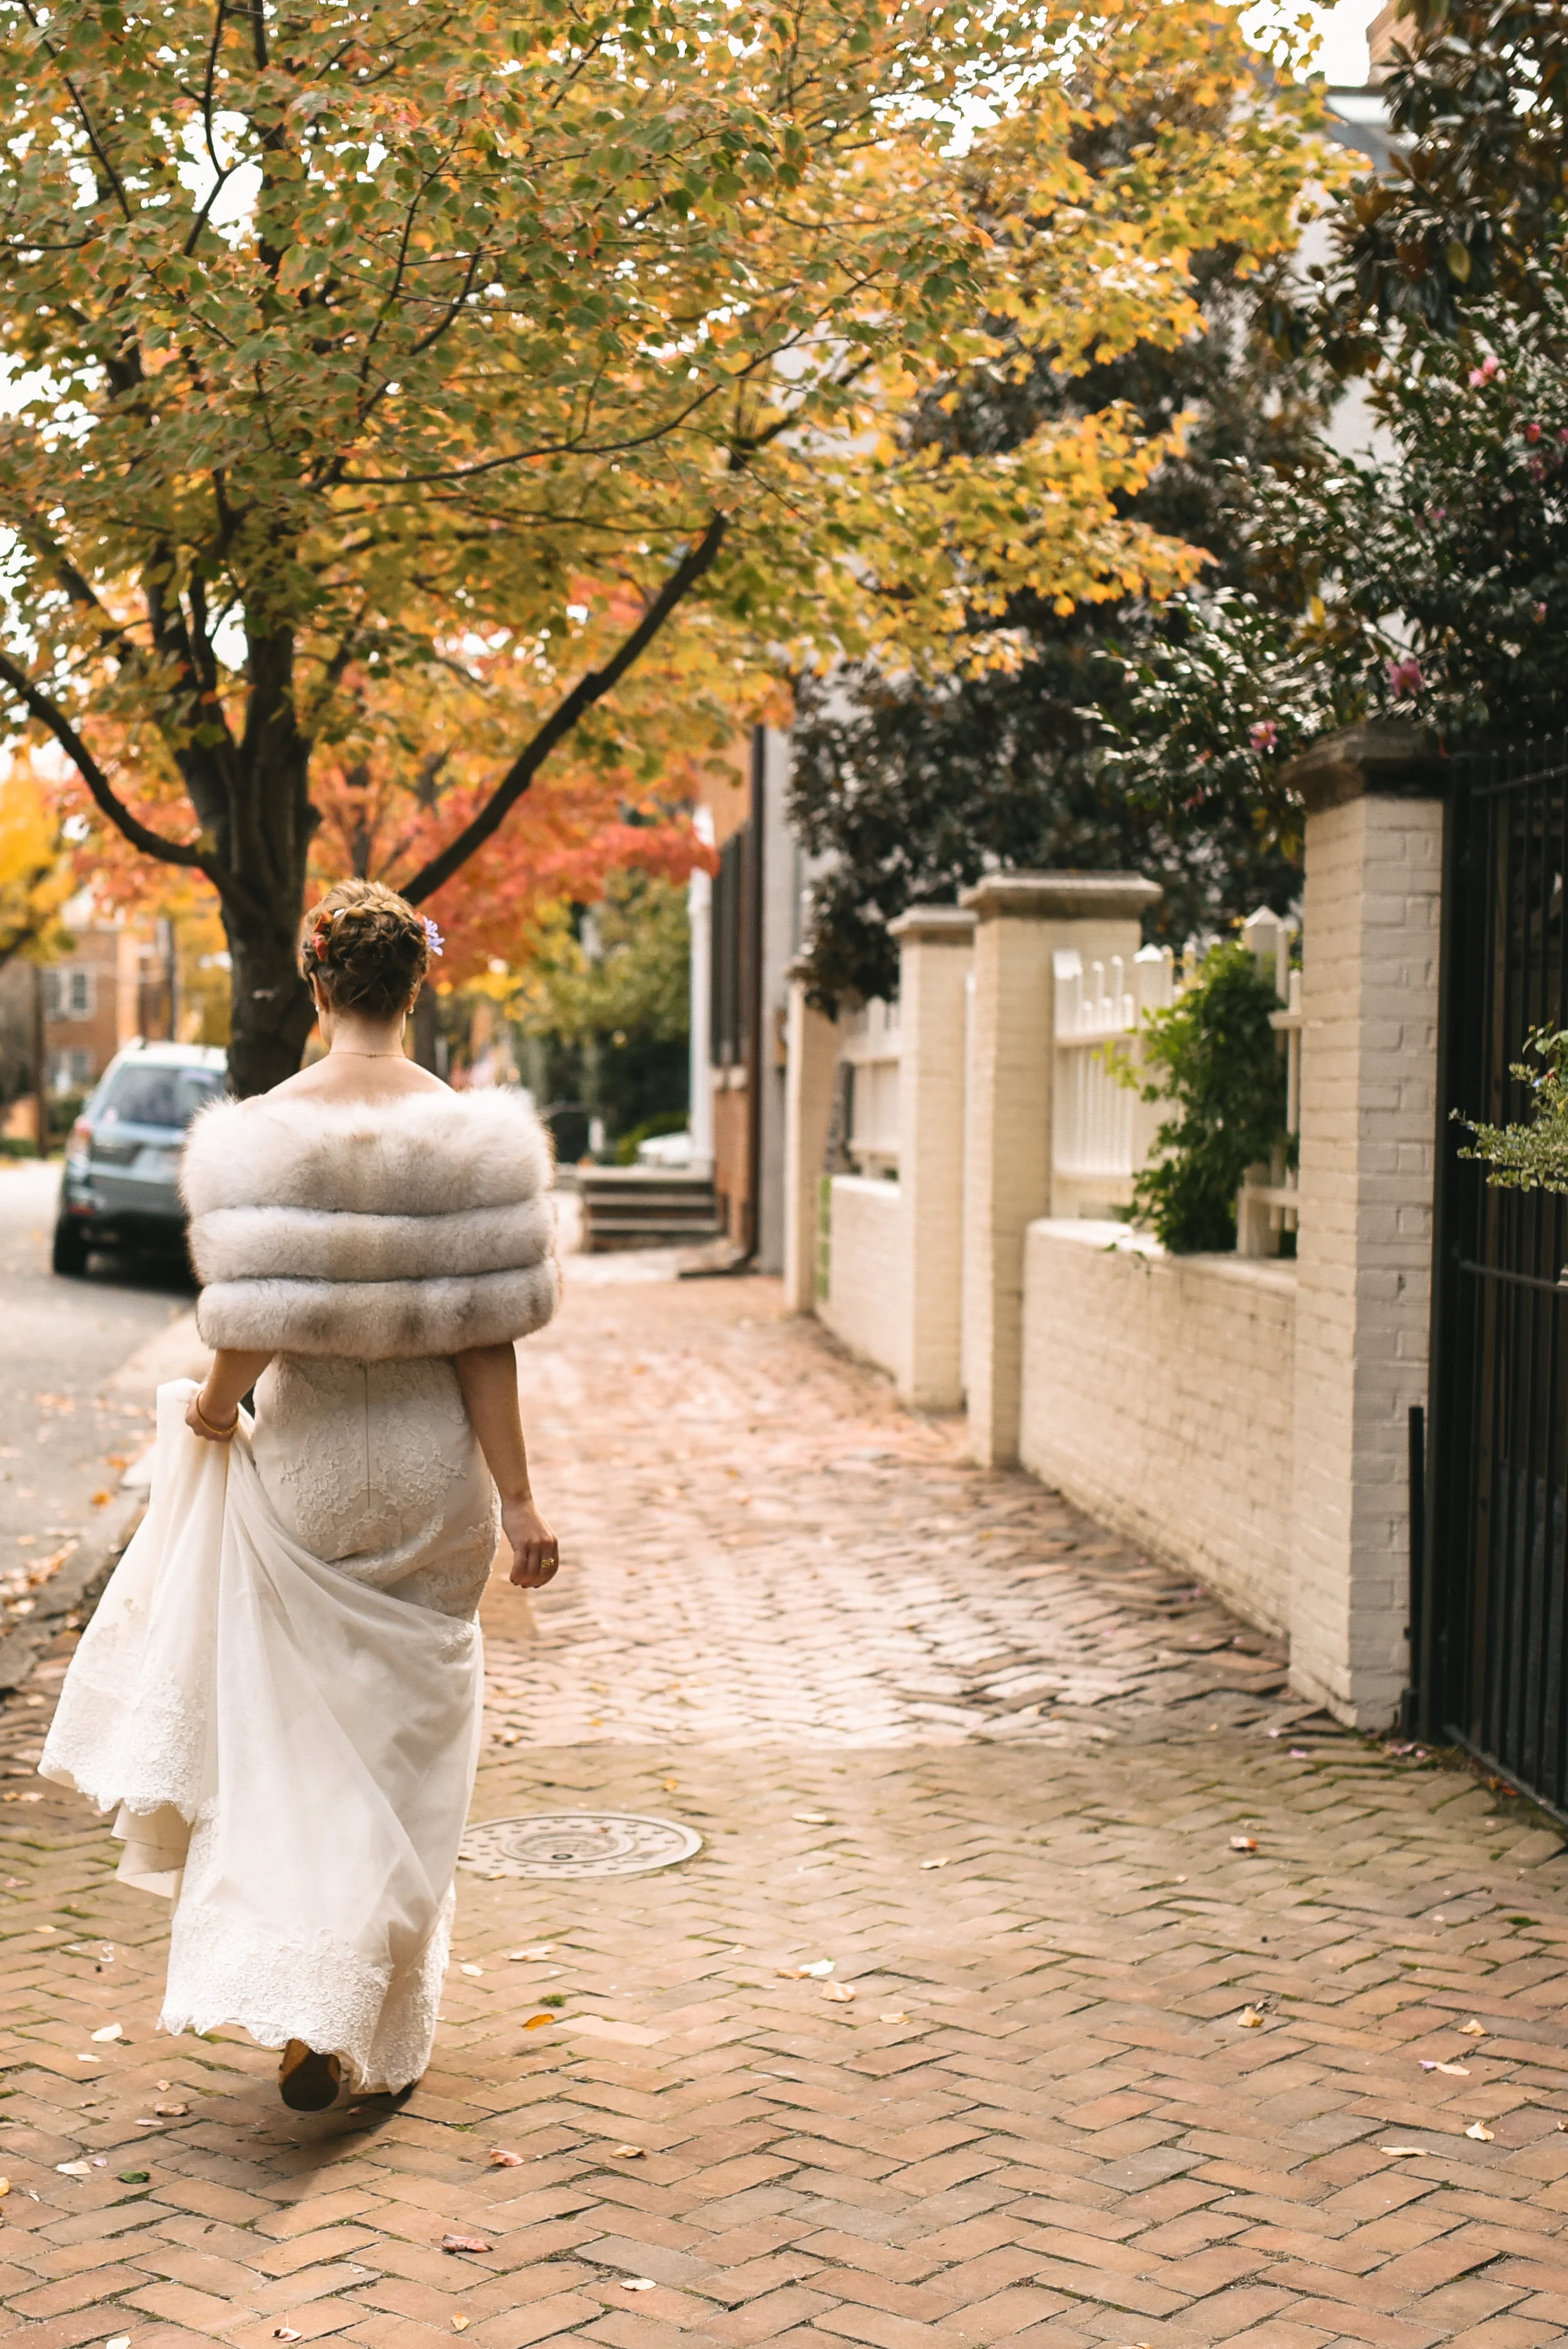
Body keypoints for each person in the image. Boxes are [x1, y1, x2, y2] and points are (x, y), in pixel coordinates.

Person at [41, 881, 559, 2113]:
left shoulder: (258, 1138)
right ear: (417, 985)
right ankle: (360, 1985)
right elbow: (489, 1347)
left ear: (316, 986)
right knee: (409, 1751)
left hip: (313, 1473)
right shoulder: (477, 1145)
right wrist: (523, 1502)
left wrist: (215, 1411)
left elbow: (249, 1334)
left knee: (295, 1741)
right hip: (439, 1486)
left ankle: (307, 1998)